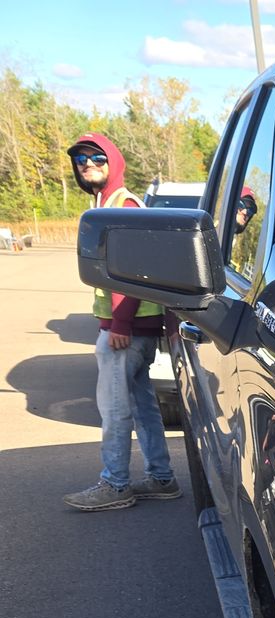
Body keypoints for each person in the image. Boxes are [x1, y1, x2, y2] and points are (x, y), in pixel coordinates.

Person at [62, 132, 180, 512]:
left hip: (124, 332)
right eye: (81, 161)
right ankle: (162, 478)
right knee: (143, 407)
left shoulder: (122, 204)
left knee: (114, 411)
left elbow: (134, 273)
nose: (88, 166)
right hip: (133, 331)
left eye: (96, 158)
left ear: (113, 160)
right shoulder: (109, 204)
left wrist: (121, 324)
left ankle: (115, 484)